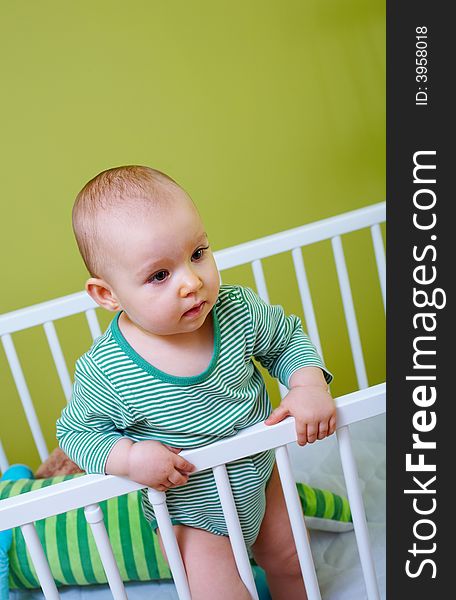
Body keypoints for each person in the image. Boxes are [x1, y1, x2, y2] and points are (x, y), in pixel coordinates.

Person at [56, 165, 336, 600]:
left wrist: (309, 385)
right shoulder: (107, 370)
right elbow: (75, 433)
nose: (192, 281)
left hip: (261, 477)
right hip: (190, 512)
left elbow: (286, 340)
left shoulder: (235, 309)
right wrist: (128, 457)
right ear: (107, 295)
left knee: (295, 564)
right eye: (159, 275)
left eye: (198, 253)